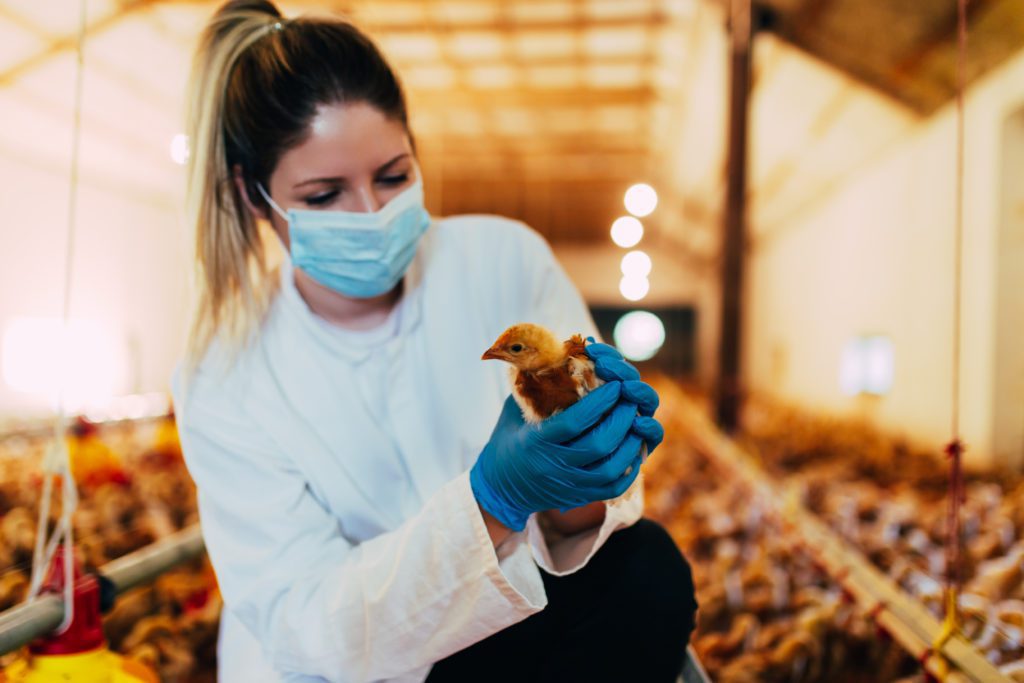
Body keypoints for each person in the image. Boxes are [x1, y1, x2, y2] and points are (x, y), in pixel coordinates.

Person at [171, 1, 697, 681]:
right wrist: (492, 503)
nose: (372, 213)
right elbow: (307, 621)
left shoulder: (501, 260)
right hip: (334, 670)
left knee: (646, 571)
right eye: (325, 194)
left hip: (499, 631)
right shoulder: (226, 369)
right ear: (252, 195)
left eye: (393, 176)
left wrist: (585, 476)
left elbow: (581, 534)